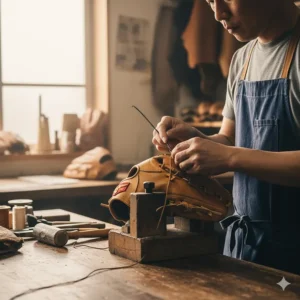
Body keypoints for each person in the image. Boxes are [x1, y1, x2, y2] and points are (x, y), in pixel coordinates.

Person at [152, 0, 300, 274]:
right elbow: (230, 140)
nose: (219, 14)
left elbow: (233, 154)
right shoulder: (242, 60)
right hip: (246, 247)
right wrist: (196, 141)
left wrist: (230, 156)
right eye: (210, 1)